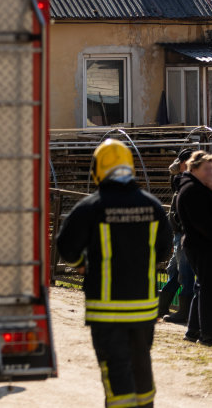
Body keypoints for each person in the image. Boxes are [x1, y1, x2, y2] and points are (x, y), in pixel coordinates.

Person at [57, 139, 172, 408]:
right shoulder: (153, 206)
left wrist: (81, 264)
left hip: (107, 309)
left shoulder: (91, 207)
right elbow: (165, 250)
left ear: (99, 168)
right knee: (141, 368)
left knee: (117, 373)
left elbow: (66, 246)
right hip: (142, 308)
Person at [176, 151, 212, 347]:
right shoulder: (192, 189)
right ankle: (207, 334)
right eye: (206, 169)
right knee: (210, 290)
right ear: (194, 168)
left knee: (203, 288)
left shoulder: (204, 186)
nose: (210, 172)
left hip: (205, 246)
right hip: (203, 246)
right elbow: (199, 220)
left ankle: (194, 330)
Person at [159, 148, 196, 324]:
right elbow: (174, 180)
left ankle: (184, 311)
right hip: (178, 231)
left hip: (185, 233)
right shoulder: (180, 179)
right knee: (174, 269)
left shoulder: (191, 181)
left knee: (185, 271)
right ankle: (162, 306)